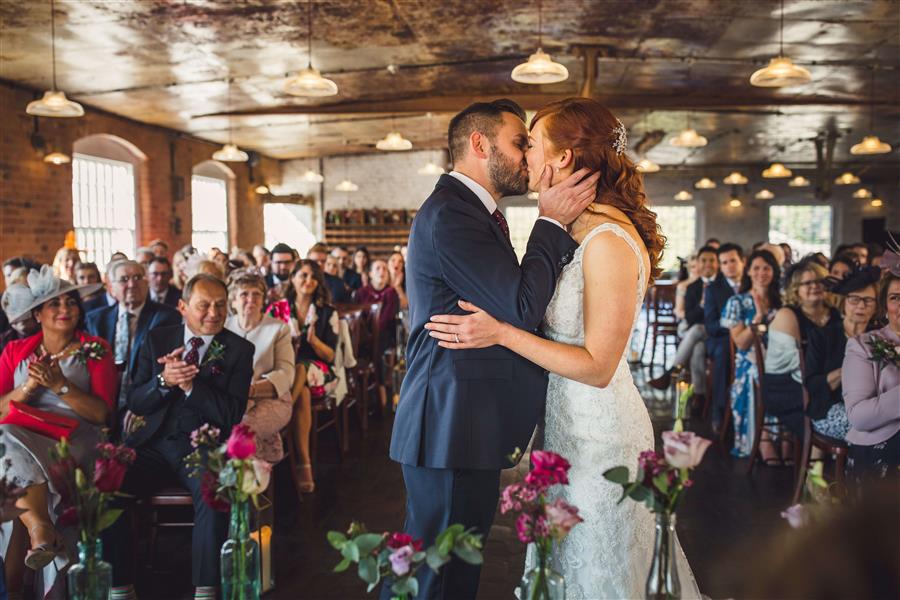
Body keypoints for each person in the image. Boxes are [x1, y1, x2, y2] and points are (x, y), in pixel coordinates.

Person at [422, 97, 700, 599]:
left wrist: (502, 333)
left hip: (600, 434)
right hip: (565, 430)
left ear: (563, 159)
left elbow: (597, 367)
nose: (525, 156)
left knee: (601, 568)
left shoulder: (608, 239)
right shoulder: (575, 231)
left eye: (532, 145)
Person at [103, 274, 254, 600]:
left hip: (202, 446)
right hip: (151, 445)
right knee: (108, 486)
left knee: (213, 494)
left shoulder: (240, 350)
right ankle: (120, 586)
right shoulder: (157, 339)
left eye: (220, 305)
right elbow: (136, 401)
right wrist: (163, 381)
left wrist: (189, 386)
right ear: (183, 307)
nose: (214, 313)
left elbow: (231, 415)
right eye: (204, 306)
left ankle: (206, 588)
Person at [0, 266, 115, 597]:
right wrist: (29, 387)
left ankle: (37, 535)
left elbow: (101, 414)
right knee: (6, 444)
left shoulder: (95, 349)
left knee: (5, 464)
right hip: (22, 434)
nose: (65, 310)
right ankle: (41, 531)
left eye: (71, 303)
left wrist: (61, 386)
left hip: (77, 438)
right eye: (55, 304)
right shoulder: (15, 351)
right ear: (37, 314)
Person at [268, 260, 339, 494]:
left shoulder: (327, 312)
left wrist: (313, 341)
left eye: (313, 277)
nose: (308, 281)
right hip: (286, 373)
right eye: (303, 275)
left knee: (301, 370)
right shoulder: (277, 309)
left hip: (320, 372)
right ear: (294, 278)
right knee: (303, 394)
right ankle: (304, 464)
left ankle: (282, 408)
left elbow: (331, 356)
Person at [84, 260, 181, 416]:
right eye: (124, 279)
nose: (132, 284)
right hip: (101, 401)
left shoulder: (167, 317)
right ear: (111, 288)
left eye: (137, 278)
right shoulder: (95, 320)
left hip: (147, 401)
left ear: (146, 283)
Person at [764, 258, 839, 437]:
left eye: (819, 281)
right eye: (807, 283)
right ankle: (819, 450)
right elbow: (799, 363)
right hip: (787, 384)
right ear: (796, 289)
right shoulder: (788, 315)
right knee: (827, 402)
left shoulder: (834, 314)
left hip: (822, 379)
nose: (815, 286)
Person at [225, 271, 295, 463]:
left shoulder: (278, 328)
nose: (251, 299)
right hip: (232, 401)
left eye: (256, 294)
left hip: (272, 400)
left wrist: (252, 390)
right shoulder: (223, 328)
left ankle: (246, 488)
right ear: (233, 301)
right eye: (244, 294)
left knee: (238, 433)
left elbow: (286, 374)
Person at [805, 267, 881, 441]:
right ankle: (860, 468)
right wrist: (847, 369)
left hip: (872, 408)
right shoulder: (822, 336)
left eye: (868, 300)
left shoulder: (879, 338)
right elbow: (812, 384)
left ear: (876, 305)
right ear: (844, 302)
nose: (861, 306)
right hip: (828, 409)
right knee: (868, 425)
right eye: (855, 299)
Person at [721, 249, 782, 459]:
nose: (761, 273)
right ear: (748, 271)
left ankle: (786, 438)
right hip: (748, 363)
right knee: (757, 371)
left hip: (780, 359)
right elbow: (741, 342)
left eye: (767, 268)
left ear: (774, 271)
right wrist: (757, 319)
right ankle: (763, 438)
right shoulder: (737, 302)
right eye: (756, 268)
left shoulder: (782, 302)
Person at [842, 269, 900, 486]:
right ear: (885, 306)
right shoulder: (862, 345)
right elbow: (858, 416)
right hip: (884, 445)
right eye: (895, 297)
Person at [649, 245, 718, 396]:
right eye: (703, 261)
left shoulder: (720, 284)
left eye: (712, 260)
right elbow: (690, 317)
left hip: (714, 329)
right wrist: (701, 304)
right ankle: (700, 395)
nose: (706, 265)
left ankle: (672, 371)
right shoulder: (693, 287)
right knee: (698, 348)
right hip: (697, 329)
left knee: (696, 330)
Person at [704, 242, 745, 427]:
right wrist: (733, 326)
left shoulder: (750, 284)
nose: (729, 266)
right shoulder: (714, 288)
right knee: (723, 353)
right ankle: (719, 409)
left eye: (733, 261)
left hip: (750, 338)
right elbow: (711, 326)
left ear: (743, 261)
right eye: (725, 262)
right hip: (721, 339)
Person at [354, 259, 401, 411]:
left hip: (384, 335)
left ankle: (380, 388)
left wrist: (369, 335)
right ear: (370, 274)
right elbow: (357, 318)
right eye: (378, 268)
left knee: (378, 344)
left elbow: (385, 319)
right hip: (361, 337)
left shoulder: (391, 293)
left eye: (384, 269)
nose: (382, 271)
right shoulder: (361, 293)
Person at [0, 285, 41, 355]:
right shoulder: (5, 341)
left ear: (36, 314)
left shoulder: (50, 333)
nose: (21, 326)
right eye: (15, 323)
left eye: (25, 320)